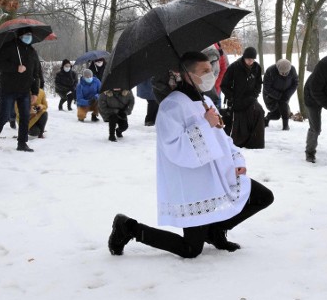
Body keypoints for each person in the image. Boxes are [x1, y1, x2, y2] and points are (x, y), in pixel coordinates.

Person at [106, 51, 274, 259]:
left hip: (221, 173)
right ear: (187, 74)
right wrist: (205, 123)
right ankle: (128, 228)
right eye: (204, 71)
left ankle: (215, 231)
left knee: (263, 197)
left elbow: (222, 137)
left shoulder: (207, 101)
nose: (211, 74)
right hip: (195, 185)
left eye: (211, 69)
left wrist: (237, 159)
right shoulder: (171, 105)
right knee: (191, 250)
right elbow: (174, 147)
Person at [0, 27, 41, 153]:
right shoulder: (9, 47)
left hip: (25, 90)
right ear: (21, 36)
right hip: (9, 88)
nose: (29, 37)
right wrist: (15, 68)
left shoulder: (32, 51)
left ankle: (22, 143)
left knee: (25, 117)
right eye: (27, 35)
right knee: (4, 116)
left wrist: (35, 92)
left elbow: (36, 73)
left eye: (30, 35)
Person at [221, 47, 265, 149]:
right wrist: (231, 97)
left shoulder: (257, 68)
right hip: (236, 99)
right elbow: (224, 85)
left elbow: (259, 83)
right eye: (249, 59)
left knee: (259, 111)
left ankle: (255, 142)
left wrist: (254, 95)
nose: (251, 61)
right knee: (241, 118)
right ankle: (240, 141)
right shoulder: (234, 67)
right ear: (244, 58)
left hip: (251, 98)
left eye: (253, 59)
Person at [262, 58, 298, 131]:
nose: (284, 75)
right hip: (271, 95)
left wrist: (287, 94)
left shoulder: (292, 70)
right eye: (282, 73)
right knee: (277, 114)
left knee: (284, 109)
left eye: (286, 73)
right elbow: (267, 87)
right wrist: (279, 95)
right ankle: (267, 118)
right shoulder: (270, 71)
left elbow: (295, 83)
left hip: (285, 94)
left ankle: (285, 127)